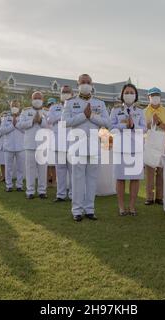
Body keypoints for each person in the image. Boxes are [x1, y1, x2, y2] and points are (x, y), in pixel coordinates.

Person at [62, 74, 111, 222]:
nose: (85, 84)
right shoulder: (70, 103)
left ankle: (89, 209)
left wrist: (92, 117)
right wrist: (84, 115)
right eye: (82, 82)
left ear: (92, 84)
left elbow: (107, 123)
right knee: (77, 179)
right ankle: (77, 210)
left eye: (88, 82)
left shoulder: (99, 103)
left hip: (94, 147)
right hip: (77, 147)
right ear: (78, 84)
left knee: (92, 179)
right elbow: (65, 122)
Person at [110, 83, 146, 216]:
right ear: (122, 95)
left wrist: (133, 126)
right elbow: (110, 127)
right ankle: (121, 207)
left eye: (132, 92)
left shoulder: (140, 111)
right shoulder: (115, 110)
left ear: (135, 95)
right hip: (120, 148)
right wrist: (124, 125)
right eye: (127, 92)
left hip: (136, 148)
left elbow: (144, 128)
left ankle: (131, 206)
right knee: (120, 178)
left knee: (134, 178)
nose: (129, 95)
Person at [144, 87, 165, 206]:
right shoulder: (143, 112)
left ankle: (159, 197)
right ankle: (149, 197)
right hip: (149, 143)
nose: (155, 97)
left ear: (160, 97)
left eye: (157, 95)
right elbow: (142, 128)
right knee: (150, 171)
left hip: (163, 143)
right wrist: (151, 122)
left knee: (161, 171)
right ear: (148, 97)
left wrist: (160, 123)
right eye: (152, 95)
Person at [18, 91, 49, 199]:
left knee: (42, 170)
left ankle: (42, 191)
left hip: (43, 145)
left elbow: (50, 125)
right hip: (30, 144)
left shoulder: (46, 112)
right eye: (35, 98)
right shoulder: (25, 111)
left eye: (39, 98)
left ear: (42, 100)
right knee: (30, 169)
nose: (37, 100)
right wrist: (32, 121)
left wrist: (40, 121)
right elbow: (20, 125)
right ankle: (30, 191)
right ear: (31, 100)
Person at [47, 86, 74, 202]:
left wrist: (61, 118)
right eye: (63, 92)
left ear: (72, 94)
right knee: (60, 170)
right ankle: (61, 194)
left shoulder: (76, 106)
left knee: (73, 171)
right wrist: (63, 116)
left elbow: (77, 119)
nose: (65, 94)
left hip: (73, 143)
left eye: (68, 92)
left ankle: (74, 194)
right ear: (60, 94)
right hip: (59, 143)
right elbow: (50, 120)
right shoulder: (54, 107)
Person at [1, 100, 25, 192]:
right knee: (8, 168)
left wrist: (17, 125)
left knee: (20, 168)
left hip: (20, 146)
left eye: (16, 105)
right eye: (13, 105)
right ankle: (9, 185)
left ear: (19, 107)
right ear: (10, 107)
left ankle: (19, 185)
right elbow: (2, 130)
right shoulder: (5, 118)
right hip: (8, 146)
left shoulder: (23, 117)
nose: (15, 107)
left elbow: (25, 131)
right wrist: (12, 125)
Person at [45, 98, 57, 187]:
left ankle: (54, 181)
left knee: (53, 163)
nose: (51, 106)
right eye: (50, 105)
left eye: (52, 104)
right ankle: (48, 179)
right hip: (45, 140)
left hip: (54, 141)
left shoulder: (58, 114)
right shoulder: (45, 114)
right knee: (46, 163)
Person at [0, 112, 7, 182]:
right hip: (0, 145)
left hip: (7, 145)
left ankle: (7, 176)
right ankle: (3, 175)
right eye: (3, 116)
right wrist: (2, 131)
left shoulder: (9, 123)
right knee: (2, 162)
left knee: (8, 162)